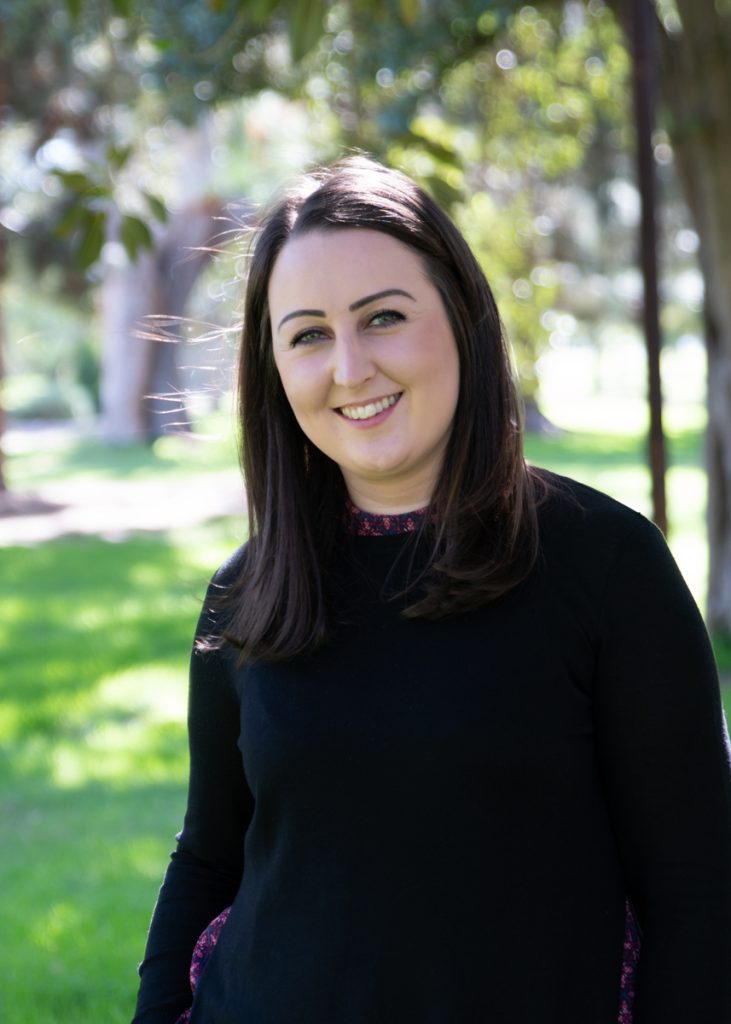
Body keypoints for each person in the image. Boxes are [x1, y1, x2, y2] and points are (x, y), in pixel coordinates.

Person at [131, 156, 731, 1024]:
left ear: (461, 315)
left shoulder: (606, 565)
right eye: (307, 335)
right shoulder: (248, 592)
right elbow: (208, 856)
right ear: (273, 368)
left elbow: (697, 885)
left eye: (382, 317)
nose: (349, 368)